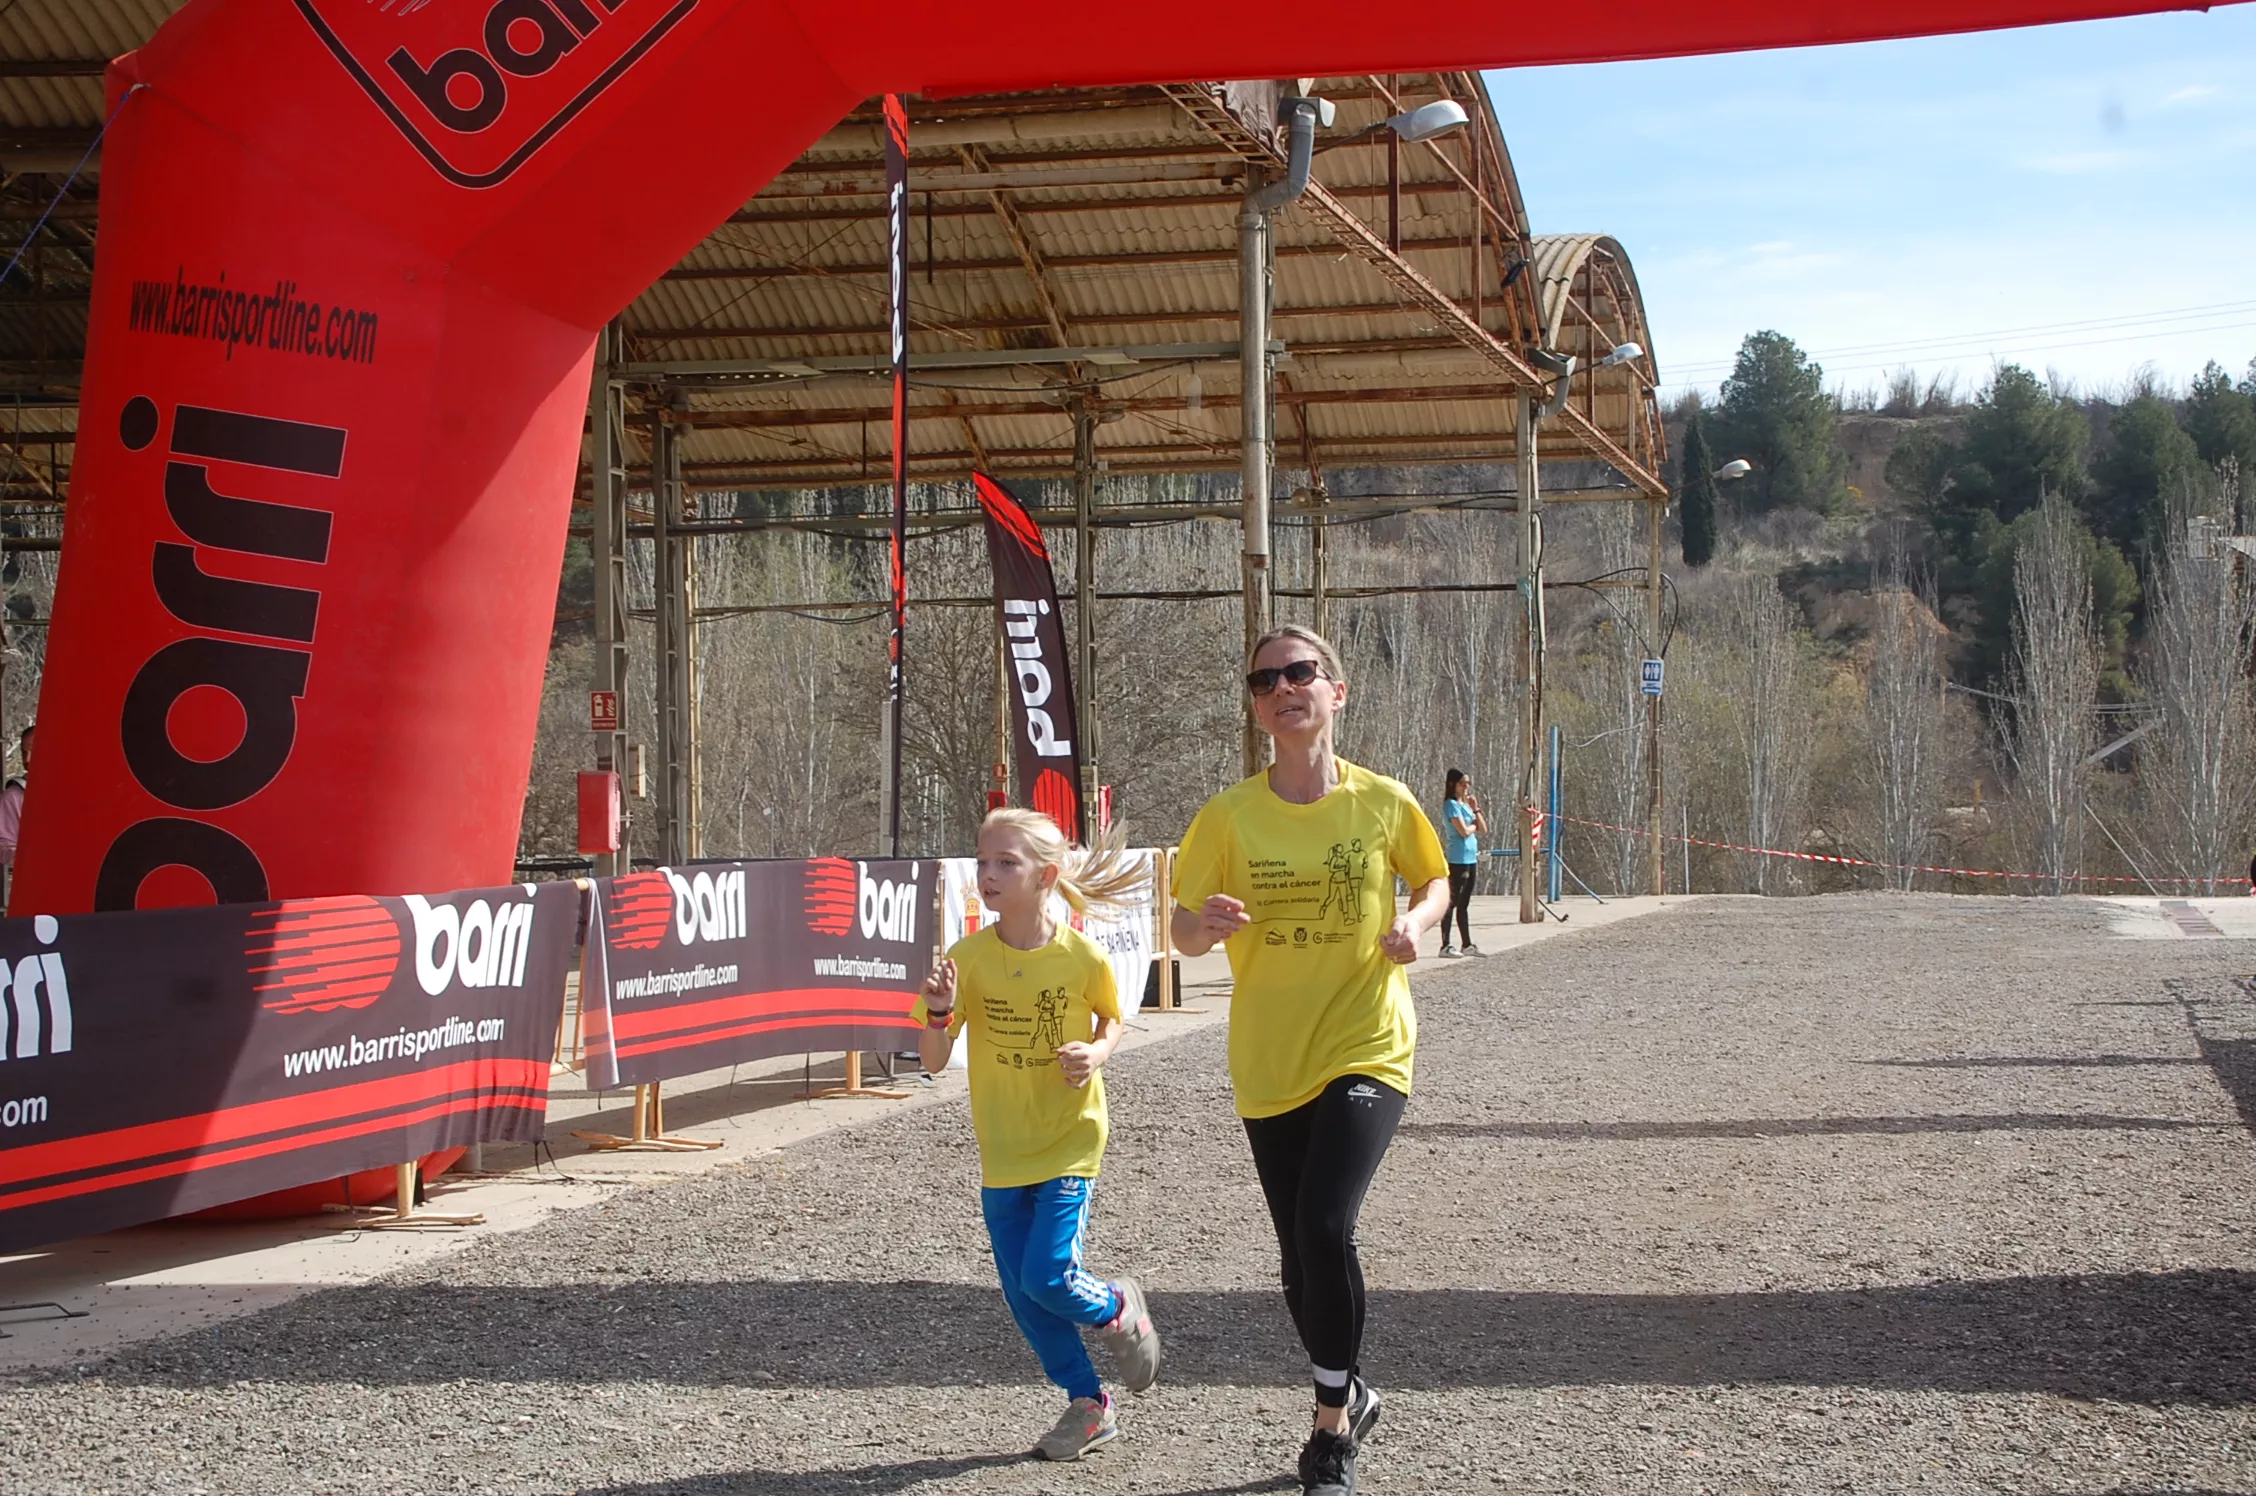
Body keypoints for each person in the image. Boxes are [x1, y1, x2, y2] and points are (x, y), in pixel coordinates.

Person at [1172, 625, 1451, 1496]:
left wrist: (1418, 923)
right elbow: (1177, 934)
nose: (1284, 688)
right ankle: (1354, 1389)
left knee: (1328, 1225)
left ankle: (1329, 1430)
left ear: (1338, 690)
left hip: (1367, 1039)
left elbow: (1433, 879)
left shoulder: (1383, 800)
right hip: (1268, 1055)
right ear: (1256, 707)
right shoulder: (1227, 816)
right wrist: (1202, 927)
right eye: (1265, 681)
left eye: (1301, 672)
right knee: (1299, 1259)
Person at [915, 807, 1162, 1462]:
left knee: (1049, 1274)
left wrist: (1096, 1052)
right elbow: (934, 1059)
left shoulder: (1080, 956)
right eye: (982, 861)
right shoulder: (967, 959)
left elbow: (1113, 1018)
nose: (988, 874)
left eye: (1005, 863)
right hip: (1003, 1150)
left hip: (1068, 1140)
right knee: (1024, 1295)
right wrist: (939, 1011)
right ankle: (1088, 1404)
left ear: (1045, 875)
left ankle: (1116, 1309)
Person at [1440, 768, 1488, 957]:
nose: (1466, 787)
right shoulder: (1451, 805)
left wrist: (1476, 809)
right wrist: (1473, 826)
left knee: (1464, 903)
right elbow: (1463, 831)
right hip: (1457, 858)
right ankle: (1445, 944)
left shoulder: (1466, 805)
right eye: (1462, 783)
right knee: (1451, 902)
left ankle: (1466, 943)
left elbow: (1483, 828)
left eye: (1468, 783)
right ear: (1453, 784)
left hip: (1470, 857)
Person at [0, 722, 30, 899]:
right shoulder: (15, 795)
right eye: (24, 752)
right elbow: (3, 844)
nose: (27, 759)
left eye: (35, 749)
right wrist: (22, 855)